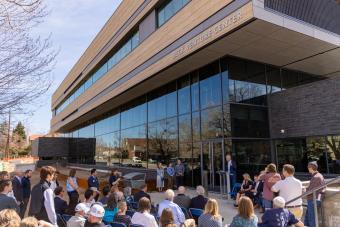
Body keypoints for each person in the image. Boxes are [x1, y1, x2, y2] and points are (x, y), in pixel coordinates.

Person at [304, 161, 325, 227]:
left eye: (308, 167)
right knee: (308, 218)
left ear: (310, 168)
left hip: (313, 200)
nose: (307, 168)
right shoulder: (318, 176)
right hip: (314, 199)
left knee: (311, 219)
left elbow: (310, 191)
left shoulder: (316, 177)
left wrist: (305, 189)